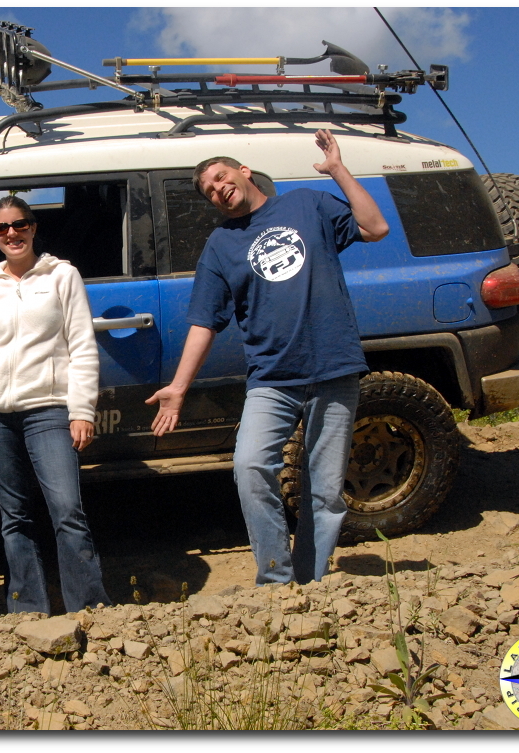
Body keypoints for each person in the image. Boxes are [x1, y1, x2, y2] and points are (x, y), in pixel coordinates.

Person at [147, 129, 389, 585]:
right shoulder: (221, 245)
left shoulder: (305, 205)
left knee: (325, 490)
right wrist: (178, 388)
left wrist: (337, 169)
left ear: (243, 171)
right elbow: (204, 321)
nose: (218, 190)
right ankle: (276, 581)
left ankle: (310, 583)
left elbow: (375, 228)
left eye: (221, 177)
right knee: (251, 466)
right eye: (210, 191)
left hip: (334, 366)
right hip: (271, 376)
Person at [0, 195, 111, 615]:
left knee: (66, 509)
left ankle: (91, 607)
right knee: (14, 517)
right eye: (2, 228)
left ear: (33, 227)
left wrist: (81, 410)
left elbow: (82, 346)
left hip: (48, 408)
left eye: (20, 224)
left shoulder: (63, 276)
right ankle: (27, 610)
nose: (12, 233)